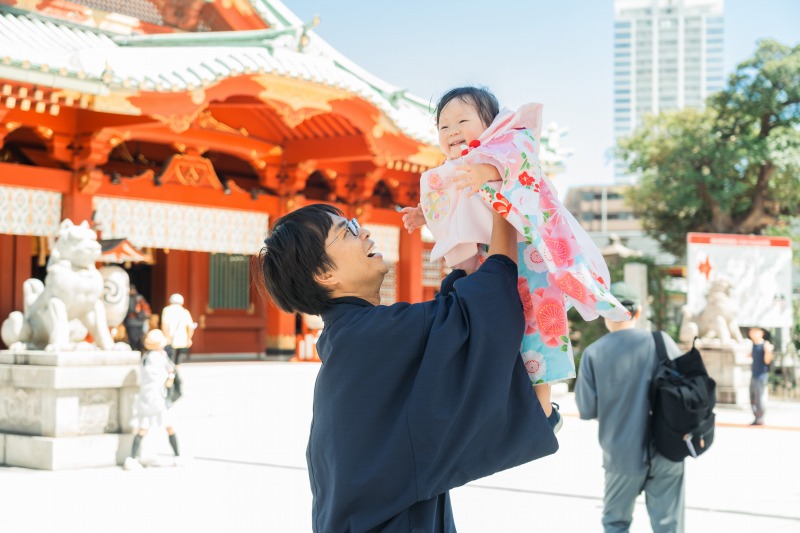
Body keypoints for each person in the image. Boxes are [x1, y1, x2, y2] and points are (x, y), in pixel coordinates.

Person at [258, 203, 559, 532]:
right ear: (324, 274)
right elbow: (483, 306)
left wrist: (458, 230)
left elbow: (452, 327)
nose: (366, 233)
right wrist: (503, 207)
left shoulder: (350, 338)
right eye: (347, 232)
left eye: (356, 224)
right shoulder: (367, 336)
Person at [402, 86, 629, 430]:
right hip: (488, 261)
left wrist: (488, 172)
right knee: (495, 332)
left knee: (537, 327)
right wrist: (424, 215)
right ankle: (505, 410)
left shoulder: (509, 141)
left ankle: (543, 414)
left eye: (462, 120)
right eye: (443, 126)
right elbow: (447, 203)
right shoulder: (453, 169)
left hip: (530, 257)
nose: (452, 131)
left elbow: (519, 167)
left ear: (492, 124)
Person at [574, 282, 686, 533]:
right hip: (668, 451)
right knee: (670, 526)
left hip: (621, 455)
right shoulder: (662, 342)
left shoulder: (594, 353)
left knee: (616, 524)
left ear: (605, 314)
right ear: (638, 311)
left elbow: (586, 409)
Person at [123, 328, 182, 470]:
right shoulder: (157, 358)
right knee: (169, 426)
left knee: (143, 427)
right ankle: (178, 456)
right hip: (158, 398)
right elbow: (163, 379)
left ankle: (131, 458)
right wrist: (171, 375)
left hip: (146, 398)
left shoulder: (146, 357)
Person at [161, 293, 196, 365]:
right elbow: (190, 327)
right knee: (178, 360)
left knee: (169, 360)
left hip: (170, 339)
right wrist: (189, 338)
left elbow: (164, 325)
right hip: (181, 339)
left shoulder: (167, 310)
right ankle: (176, 372)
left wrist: (166, 337)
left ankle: (172, 374)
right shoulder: (185, 312)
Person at [748, 326, 773, 425]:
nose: (751, 333)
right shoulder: (754, 345)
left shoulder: (765, 345)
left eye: (754, 331)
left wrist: (768, 351)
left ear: (761, 333)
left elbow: (767, 361)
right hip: (754, 374)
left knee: (759, 397)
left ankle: (760, 418)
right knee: (752, 397)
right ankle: (756, 417)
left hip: (761, 375)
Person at [124, 284, 151, 352]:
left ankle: (135, 352)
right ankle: (139, 352)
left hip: (132, 322)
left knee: (133, 340)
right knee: (139, 339)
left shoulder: (127, 298)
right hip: (140, 321)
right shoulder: (140, 297)